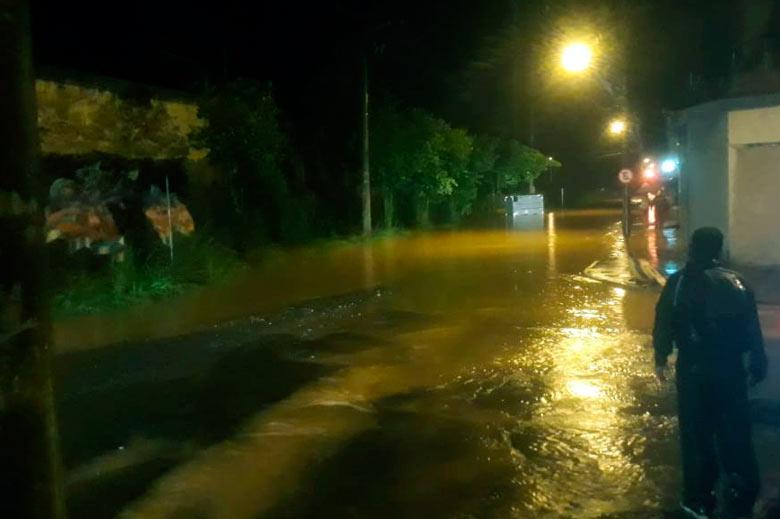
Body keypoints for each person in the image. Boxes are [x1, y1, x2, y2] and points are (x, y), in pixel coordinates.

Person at [653, 227, 768, 519]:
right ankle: (741, 487)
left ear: (692, 247)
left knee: (696, 433)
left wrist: (661, 356)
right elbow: (751, 328)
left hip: (694, 370)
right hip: (730, 369)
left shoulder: (679, 282)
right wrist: (758, 361)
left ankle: (699, 498)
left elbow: (664, 320)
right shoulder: (738, 282)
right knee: (735, 429)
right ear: (719, 249)